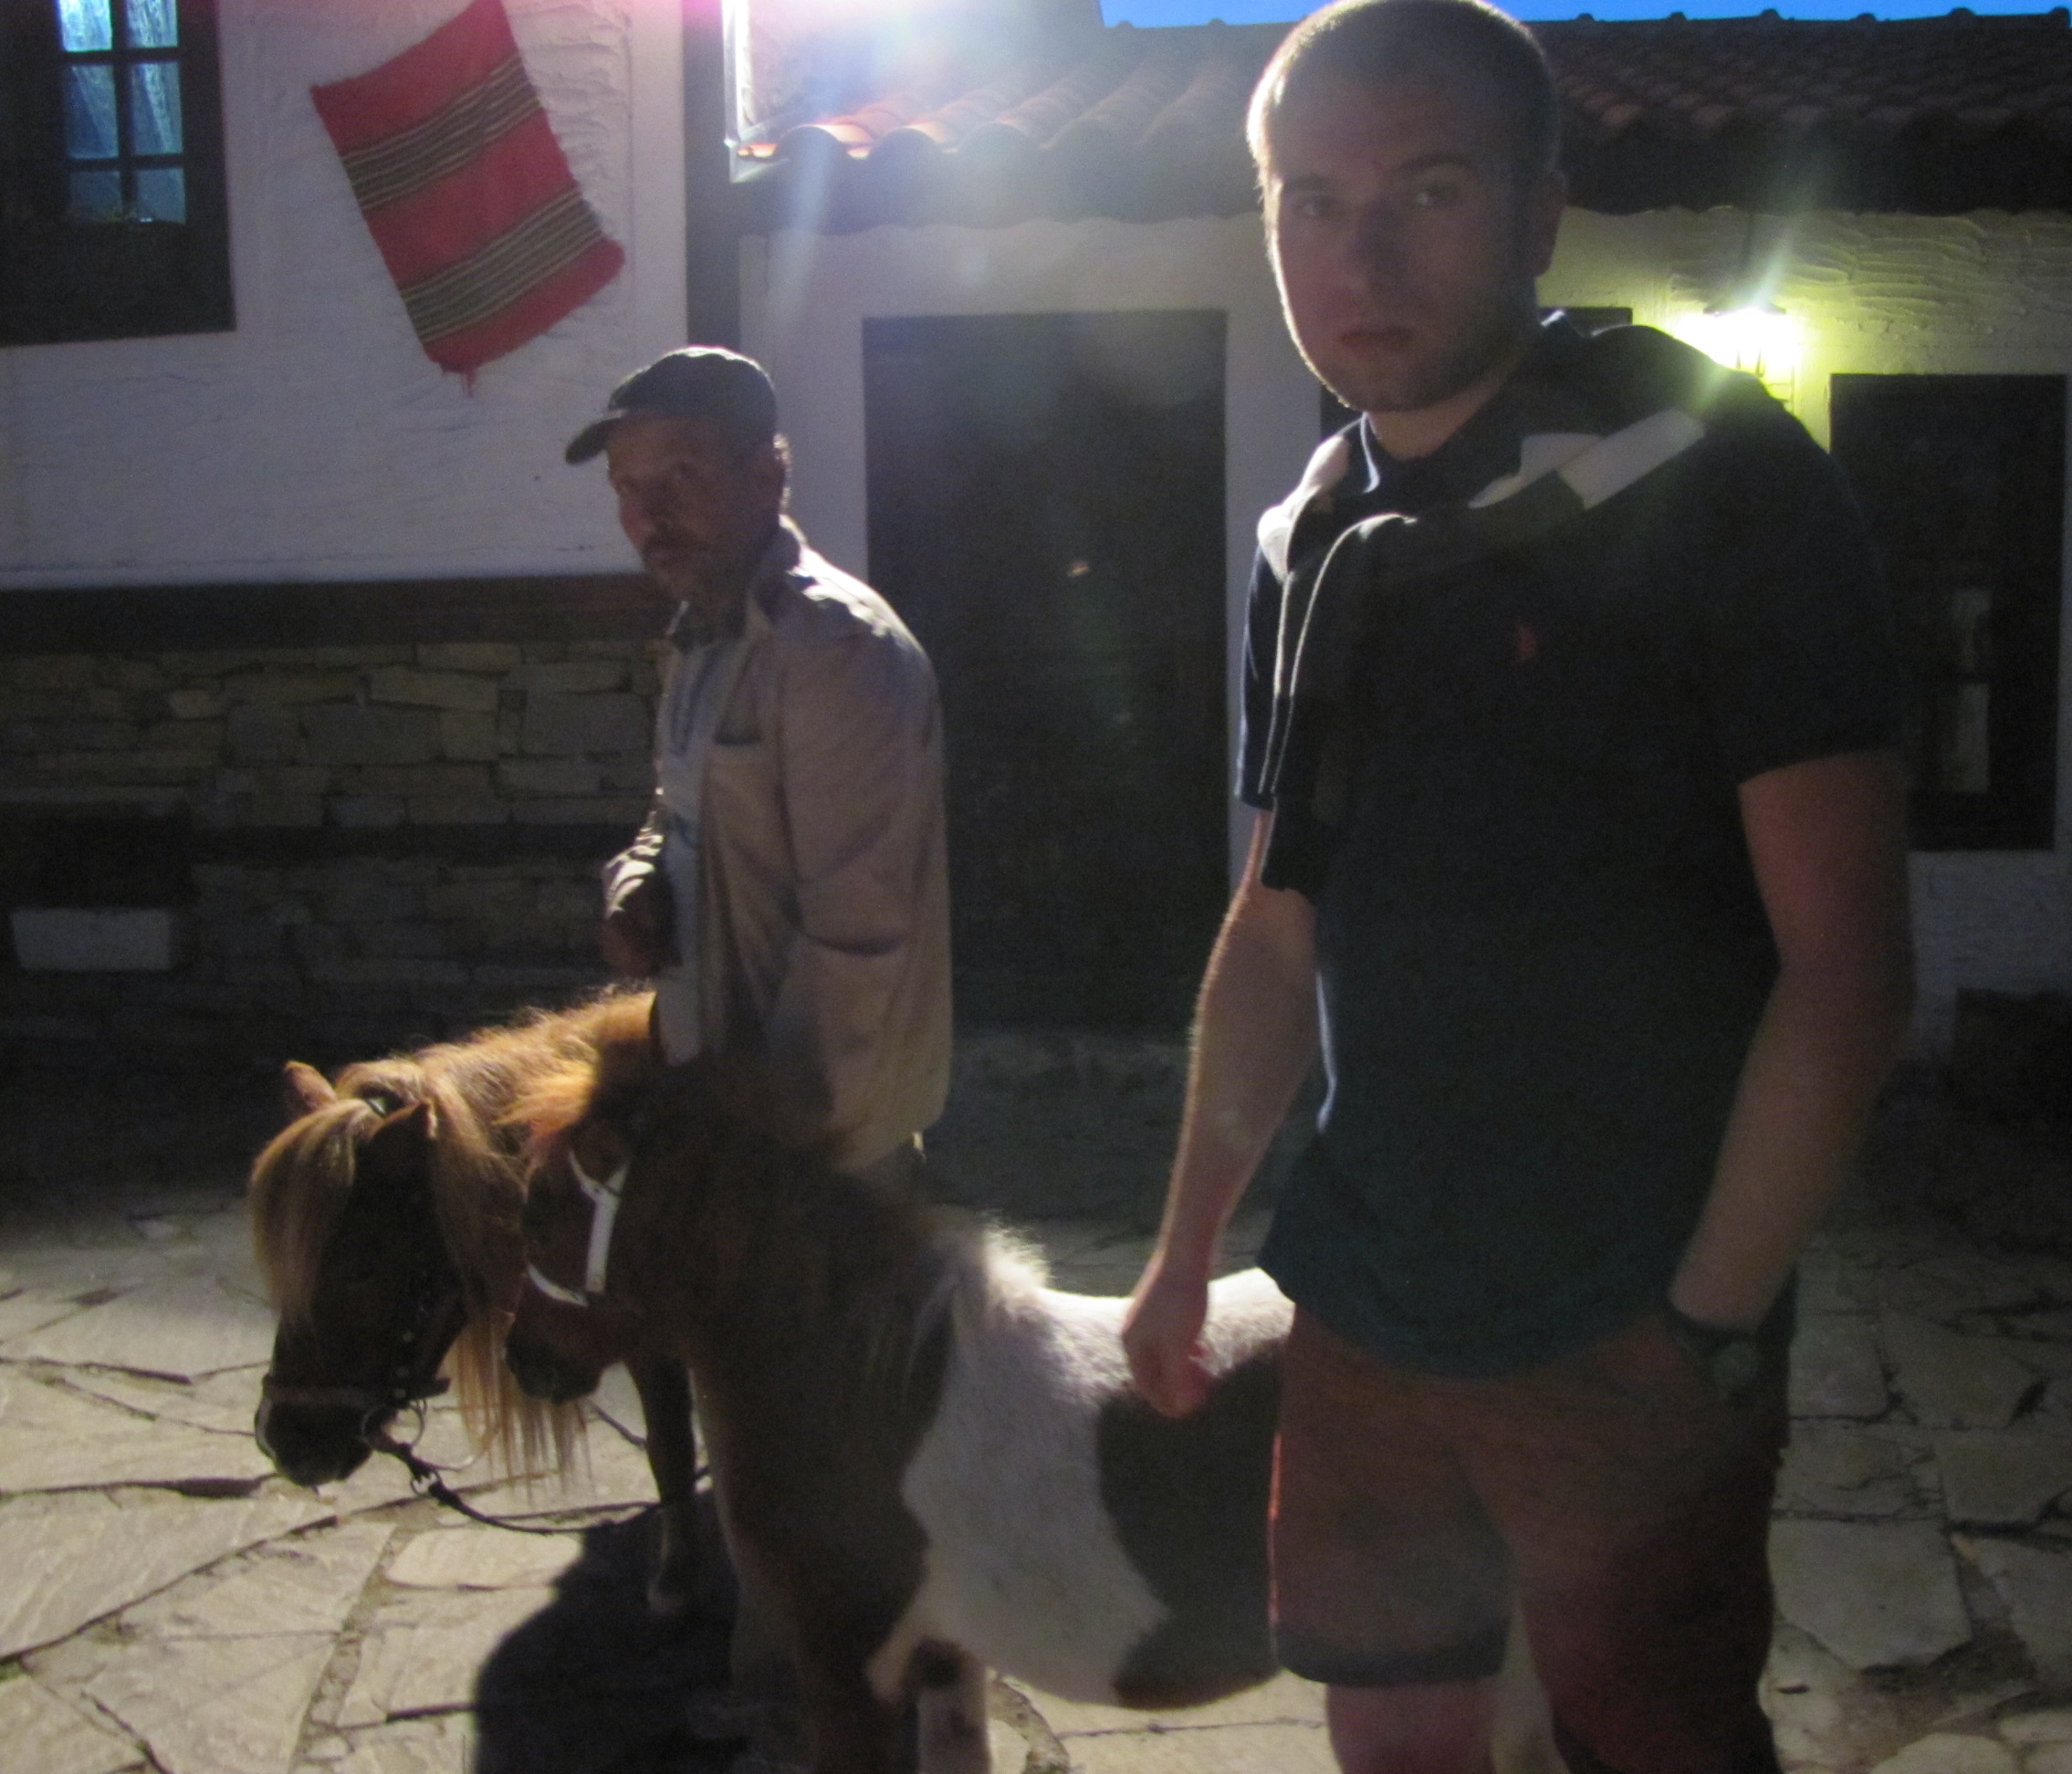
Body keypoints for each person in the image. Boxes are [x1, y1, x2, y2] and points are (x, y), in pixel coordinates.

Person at [1121, 5, 1914, 1772]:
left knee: (1652, 1741)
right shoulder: (1312, 538)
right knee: (1392, 1728)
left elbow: (1848, 967)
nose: (1362, 258)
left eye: (1430, 190)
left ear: (1543, 212)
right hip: (1368, 1295)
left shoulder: (1716, 478)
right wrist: (1184, 1250)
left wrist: (1702, 1326)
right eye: (1311, 201)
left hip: (1623, 1300)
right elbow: (1277, 919)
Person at [568, 346, 951, 1177]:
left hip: (813, 1152)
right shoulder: (704, 634)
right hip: (719, 1110)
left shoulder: (832, 650)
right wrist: (637, 885)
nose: (649, 512)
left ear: (766, 477)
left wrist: (765, 1152)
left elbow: (859, 939)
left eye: (682, 475)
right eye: (628, 487)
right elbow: (676, 812)